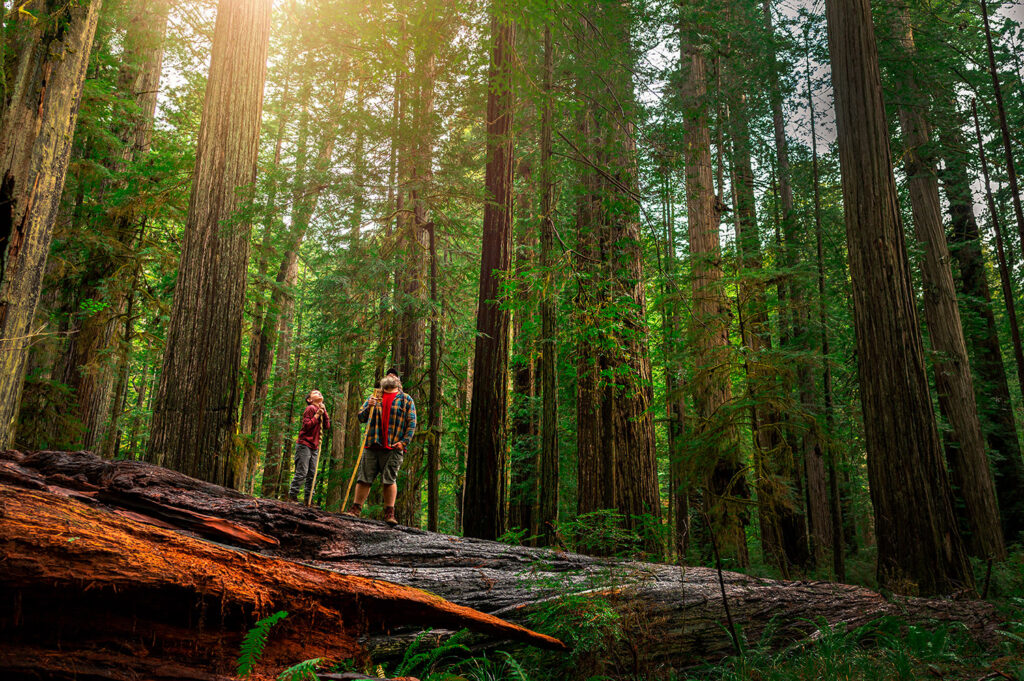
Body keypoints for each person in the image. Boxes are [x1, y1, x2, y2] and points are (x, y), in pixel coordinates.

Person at [344, 368, 417, 526]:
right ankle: (355, 509)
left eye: (394, 375)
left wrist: (404, 442)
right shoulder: (375, 396)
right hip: (372, 444)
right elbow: (361, 417)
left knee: (389, 480)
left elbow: (412, 423)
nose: (391, 376)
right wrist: (368, 406)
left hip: (393, 446)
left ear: (398, 381)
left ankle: (389, 513)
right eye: (388, 374)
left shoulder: (406, 399)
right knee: (364, 478)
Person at [288, 389, 330, 503]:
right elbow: (306, 426)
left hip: (314, 446)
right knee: (302, 471)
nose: (319, 393)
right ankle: (292, 496)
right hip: (304, 444)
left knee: (312, 473)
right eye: (315, 393)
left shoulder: (321, 409)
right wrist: (317, 415)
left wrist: (324, 411)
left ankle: (309, 499)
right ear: (309, 399)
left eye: (320, 392)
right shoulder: (310, 408)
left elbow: (327, 426)